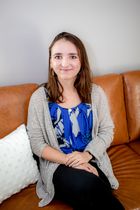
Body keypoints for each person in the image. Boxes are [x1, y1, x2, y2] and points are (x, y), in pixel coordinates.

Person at [27, 32, 124, 210]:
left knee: (94, 191)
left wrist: (86, 156)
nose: (65, 63)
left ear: (81, 61)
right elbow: (37, 143)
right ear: (50, 62)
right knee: (88, 186)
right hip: (59, 164)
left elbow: (107, 131)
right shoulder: (39, 98)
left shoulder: (96, 93)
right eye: (58, 57)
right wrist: (71, 161)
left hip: (93, 158)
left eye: (72, 56)